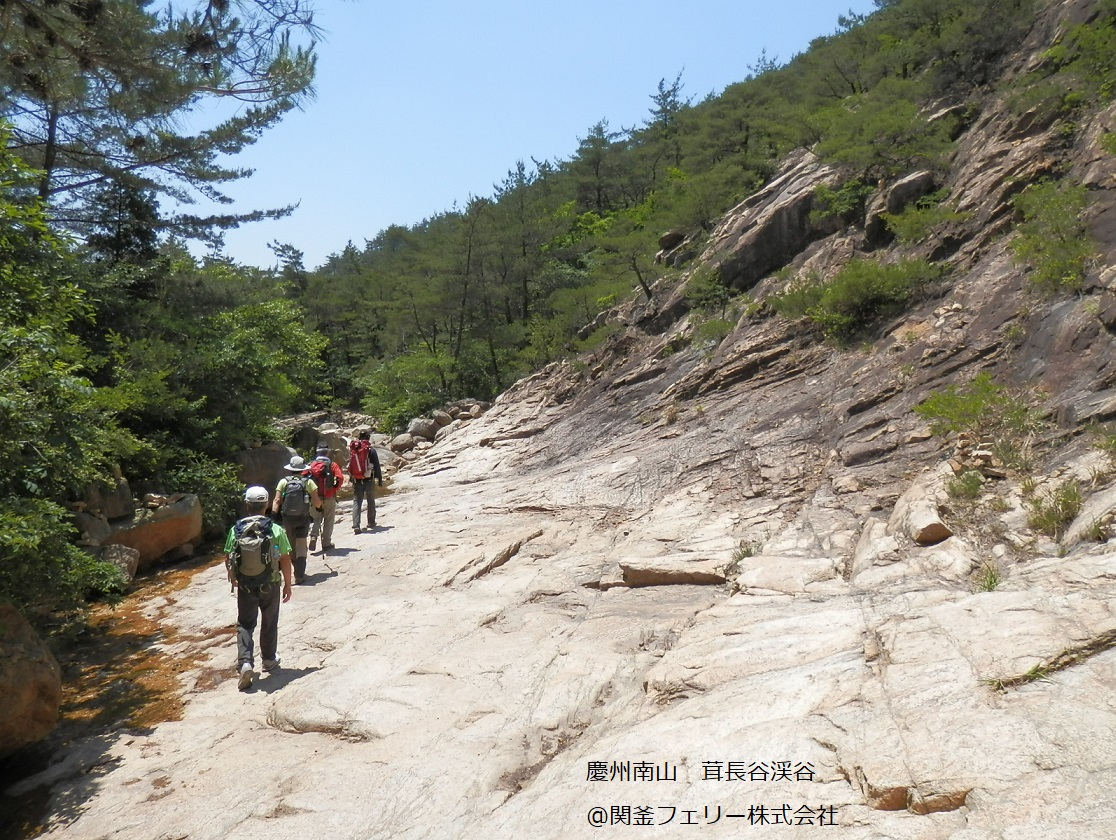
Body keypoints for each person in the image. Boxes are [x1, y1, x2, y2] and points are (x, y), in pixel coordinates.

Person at [225, 485, 293, 691]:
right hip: (270, 582)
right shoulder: (275, 529)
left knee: (245, 624)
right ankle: (269, 659)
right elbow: (285, 558)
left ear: (247, 505)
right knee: (269, 621)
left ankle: (245, 662)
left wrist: (233, 578)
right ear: (265, 505)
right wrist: (288, 584)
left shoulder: (235, 529)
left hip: (246, 584)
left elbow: (228, 556)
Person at [272, 455, 322, 584]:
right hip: (303, 518)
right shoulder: (308, 482)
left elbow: (277, 500)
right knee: (301, 545)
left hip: (287, 518)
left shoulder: (283, 482)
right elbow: (316, 501)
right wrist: (319, 508)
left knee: (289, 544)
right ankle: (299, 574)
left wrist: (273, 515)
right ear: (302, 469)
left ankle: (293, 567)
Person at [308, 443, 345, 553]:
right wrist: (334, 489)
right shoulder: (332, 465)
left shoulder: (312, 465)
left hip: (315, 497)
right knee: (329, 520)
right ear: (327, 452)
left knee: (316, 518)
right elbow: (340, 478)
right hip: (329, 496)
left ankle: (313, 536)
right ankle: (326, 543)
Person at [348, 430, 383, 534]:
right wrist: (380, 479)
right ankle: (371, 522)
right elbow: (376, 465)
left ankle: (356, 525)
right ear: (368, 437)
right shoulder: (370, 450)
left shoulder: (354, 449)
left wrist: (351, 478)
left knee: (356, 502)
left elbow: (350, 465)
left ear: (359, 437)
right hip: (368, 479)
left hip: (356, 480)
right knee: (370, 500)